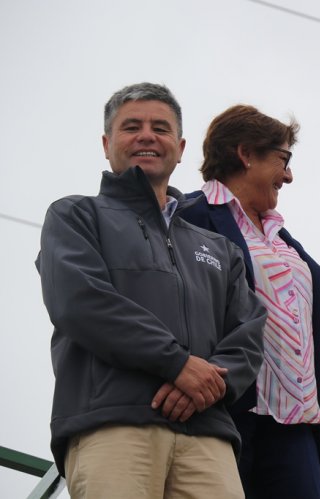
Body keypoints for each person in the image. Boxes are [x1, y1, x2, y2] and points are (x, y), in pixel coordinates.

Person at [35, 82, 267, 499]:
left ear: (179, 148)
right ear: (107, 143)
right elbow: (80, 302)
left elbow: (249, 333)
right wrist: (176, 364)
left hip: (208, 435)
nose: (146, 135)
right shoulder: (75, 216)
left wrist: (205, 384)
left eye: (160, 128)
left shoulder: (219, 248)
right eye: (131, 127)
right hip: (112, 424)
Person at [179, 104, 320, 498]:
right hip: (221, 414)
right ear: (245, 154)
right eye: (283, 159)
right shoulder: (186, 217)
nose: (289, 175)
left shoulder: (281, 238)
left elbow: (313, 325)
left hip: (294, 427)